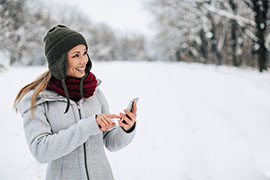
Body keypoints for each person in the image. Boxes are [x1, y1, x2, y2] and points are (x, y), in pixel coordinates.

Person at [14, 25, 137, 180]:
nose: (84, 61)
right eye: (76, 55)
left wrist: (126, 129)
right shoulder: (39, 100)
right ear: (60, 61)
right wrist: (88, 126)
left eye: (85, 53)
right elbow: (41, 151)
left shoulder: (93, 91)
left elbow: (110, 141)